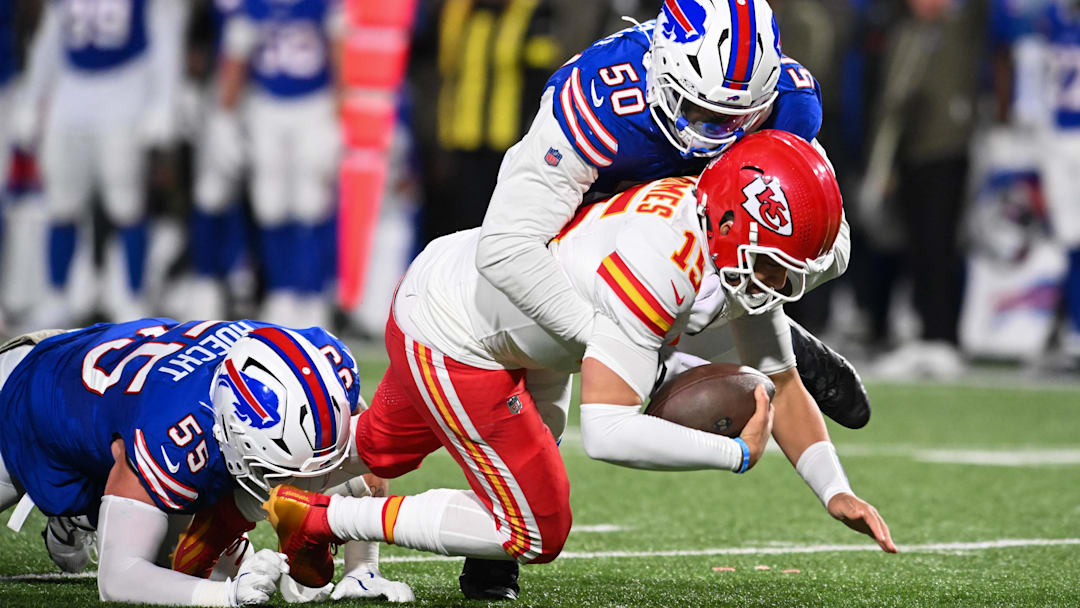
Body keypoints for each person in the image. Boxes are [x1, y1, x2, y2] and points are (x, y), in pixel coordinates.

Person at [261, 132, 896, 601]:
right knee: (536, 527)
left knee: (373, 447)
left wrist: (835, 490)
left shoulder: (715, 241)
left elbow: (780, 381)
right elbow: (609, 430)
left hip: (480, 306)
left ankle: (232, 503)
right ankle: (321, 520)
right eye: (777, 265)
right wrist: (734, 455)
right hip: (462, 338)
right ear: (733, 223)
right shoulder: (663, 267)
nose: (783, 284)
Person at [469, 0, 868, 597]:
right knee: (535, 360)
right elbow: (504, 248)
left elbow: (823, 238)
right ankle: (697, 339)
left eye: (734, 119)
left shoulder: (789, 104)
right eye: (698, 111)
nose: (712, 136)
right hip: (593, 224)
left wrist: (770, 282)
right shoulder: (600, 100)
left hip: (696, 234)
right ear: (660, 70)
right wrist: (617, 346)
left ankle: (728, 322)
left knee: (815, 251)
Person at [0, 318, 407, 605]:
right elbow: (118, 578)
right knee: (168, 563)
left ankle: (93, 505)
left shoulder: (318, 359)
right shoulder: (175, 432)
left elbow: (363, 453)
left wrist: (361, 570)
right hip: (28, 392)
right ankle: (84, 510)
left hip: (117, 370)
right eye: (276, 473)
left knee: (344, 467)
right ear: (227, 433)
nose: (300, 491)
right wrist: (226, 596)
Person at [12, 0, 186, 326]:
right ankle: (58, 296)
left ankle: (133, 297)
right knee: (61, 201)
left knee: (127, 202)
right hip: (72, 88)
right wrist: (32, 96)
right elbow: (50, 37)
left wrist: (163, 103)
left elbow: (165, 35)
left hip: (125, 87)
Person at [217, 0, 345, 328]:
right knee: (270, 205)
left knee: (311, 204)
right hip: (266, 107)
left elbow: (339, 51)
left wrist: (341, 111)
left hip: (313, 105)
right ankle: (281, 292)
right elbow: (236, 58)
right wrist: (226, 118)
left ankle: (312, 293)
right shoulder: (251, 6)